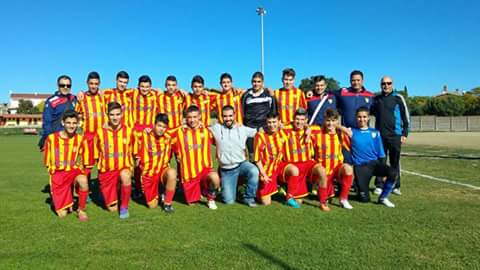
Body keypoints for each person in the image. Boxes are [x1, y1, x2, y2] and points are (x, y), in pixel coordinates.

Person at [342, 107, 398, 207]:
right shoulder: (351, 131)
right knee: (364, 199)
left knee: (393, 173)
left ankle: (383, 198)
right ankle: (359, 191)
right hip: (360, 167)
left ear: (368, 118)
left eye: (364, 117)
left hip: (374, 164)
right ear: (356, 118)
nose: (362, 119)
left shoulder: (375, 132)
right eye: (359, 117)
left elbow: (381, 153)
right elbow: (337, 126)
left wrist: (383, 169)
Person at [171, 105, 221, 209]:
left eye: (195, 117)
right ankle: (202, 190)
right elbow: (165, 136)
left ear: (199, 117)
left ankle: (211, 198)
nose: (192, 120)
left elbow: (221, 138)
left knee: (215, 178)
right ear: (185, 118)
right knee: (192, 203)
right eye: (189, 117)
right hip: (189, 174)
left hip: (204, 169)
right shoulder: (179, 132)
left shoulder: (206, 131)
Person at [209, 105, 259, 207]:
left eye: (230, 116)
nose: (228, 118)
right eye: (225, 116)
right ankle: (232, 186)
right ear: (222, 117)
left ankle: (248, 197)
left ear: (235, 115)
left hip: (241, 165)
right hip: (227, 170)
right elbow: (201, 129)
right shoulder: (216, 128)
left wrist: (276, 126)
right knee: (229, 201)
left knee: (254, 170)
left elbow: (258, 131)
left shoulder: (242, 128)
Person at [43, 110, 89, 220]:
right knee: (62, 215)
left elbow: (85, 160)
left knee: (83, 181)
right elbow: (47, 160)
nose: (71, 126)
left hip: (74, 171)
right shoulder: (51, 138)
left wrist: (80, 171)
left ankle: (81, 210)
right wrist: (53, 173)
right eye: (68, 123)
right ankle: (62, 199)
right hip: (59, 174)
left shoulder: (81, 139)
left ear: (77, 124)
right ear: (63, 123)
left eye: (74, 123)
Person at [94, 102, 134, 218]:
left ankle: (124, 207)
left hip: (123, 168)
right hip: (107, 173)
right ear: (107, 115)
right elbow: (97, 154)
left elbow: (134, 149)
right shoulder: (100, 132)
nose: (115, 117)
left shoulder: (129, 131)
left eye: (117, 114)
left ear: (122, 115)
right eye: (112, 115)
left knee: (125, 175)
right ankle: (113, 192)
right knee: (112, 209)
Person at [371, 76, 410, 195]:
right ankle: (379, 185)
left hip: (395, 136)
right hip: (380, 136)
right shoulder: (376, 99)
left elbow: (406, 116)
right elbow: (368, 111)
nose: (386, 85)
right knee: (381, 161)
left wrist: (405, 133)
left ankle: (395, 185)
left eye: (388, 83)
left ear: (392, 84)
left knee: (395, 162)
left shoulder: (398, 98)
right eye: (383, 83)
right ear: (380, 85)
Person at [280, 108, 325, 209]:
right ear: (293, 119)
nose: (299, 122)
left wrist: (308, 128)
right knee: (298, 202)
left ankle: (323, 202)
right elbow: (274, 126)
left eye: (302, 119)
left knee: (322, 170)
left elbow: (331, 126)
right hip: (292, 164)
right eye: (297, 119)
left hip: (307, 164)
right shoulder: (286, 128)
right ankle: (289, 194)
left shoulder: (314, 129)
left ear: (306, 120)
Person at [311, 109, 354, 210]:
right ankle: (323, 200)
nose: (330, 123)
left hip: (337, 169)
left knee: (348, 168)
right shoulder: (317, 132)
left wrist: (338, 126)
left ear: (337, 121)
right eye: (328, 120)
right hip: (323, 171)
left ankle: (343, 199)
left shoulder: (340, 134)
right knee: (326, 195)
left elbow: (350, 134)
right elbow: (304, 126)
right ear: (324, 121)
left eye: (333, 120)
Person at [135, 113, 177, 213]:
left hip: (162, 171)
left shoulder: (168, 137)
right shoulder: (145, 135)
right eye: (159, 125)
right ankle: (160, 191)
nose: (161, 129)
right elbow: (129, 130)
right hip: (149, 175)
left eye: (164, 127)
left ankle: (167, 203)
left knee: (172, 173)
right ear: (154, 125)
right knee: (152, 205)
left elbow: (180, 130)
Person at [75, 71, 106, 175]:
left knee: (103, 166)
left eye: (96, 84)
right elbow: (75, 115)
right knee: (87, 167)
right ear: (87, 83)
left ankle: (102, 191)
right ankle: (84, 190)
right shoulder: (82, 98)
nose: (93, 86)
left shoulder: (103, 96)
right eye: (91, 83)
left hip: (102, 137)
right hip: (87, 137)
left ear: (99, 84)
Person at [242, 71, 278, 157]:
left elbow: (273, 112)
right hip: (250, 129)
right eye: (254, 81)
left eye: (259, 81)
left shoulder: (268, 94)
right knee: (252, 155)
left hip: (264, 129)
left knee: (266, 155)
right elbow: (242, 112)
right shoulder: (246, 95)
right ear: (251, 82)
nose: (256, 84)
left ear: (262, 83)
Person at [253, 112, 286, 205]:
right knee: (266, 202)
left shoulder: (284, 132)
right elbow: (257, 159)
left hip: (278, 168)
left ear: (279, 122)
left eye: (274, 122)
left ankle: (283, 187)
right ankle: (255, 189)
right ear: (266, 123)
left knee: (293, 170)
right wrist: (263, 174)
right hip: (266, 171)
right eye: (269, 122)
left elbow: (299, 123)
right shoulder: (261, 136)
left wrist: (307, 128)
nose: (272, 125)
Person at [39, 75, 77, 150]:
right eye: (62, 85)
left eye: (68, 85)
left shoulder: (74, 99)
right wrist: (49, 139)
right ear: (58, 86)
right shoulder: (51, 101)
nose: (65, 87)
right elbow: (47, 123)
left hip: (71, 140)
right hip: (56, 140)